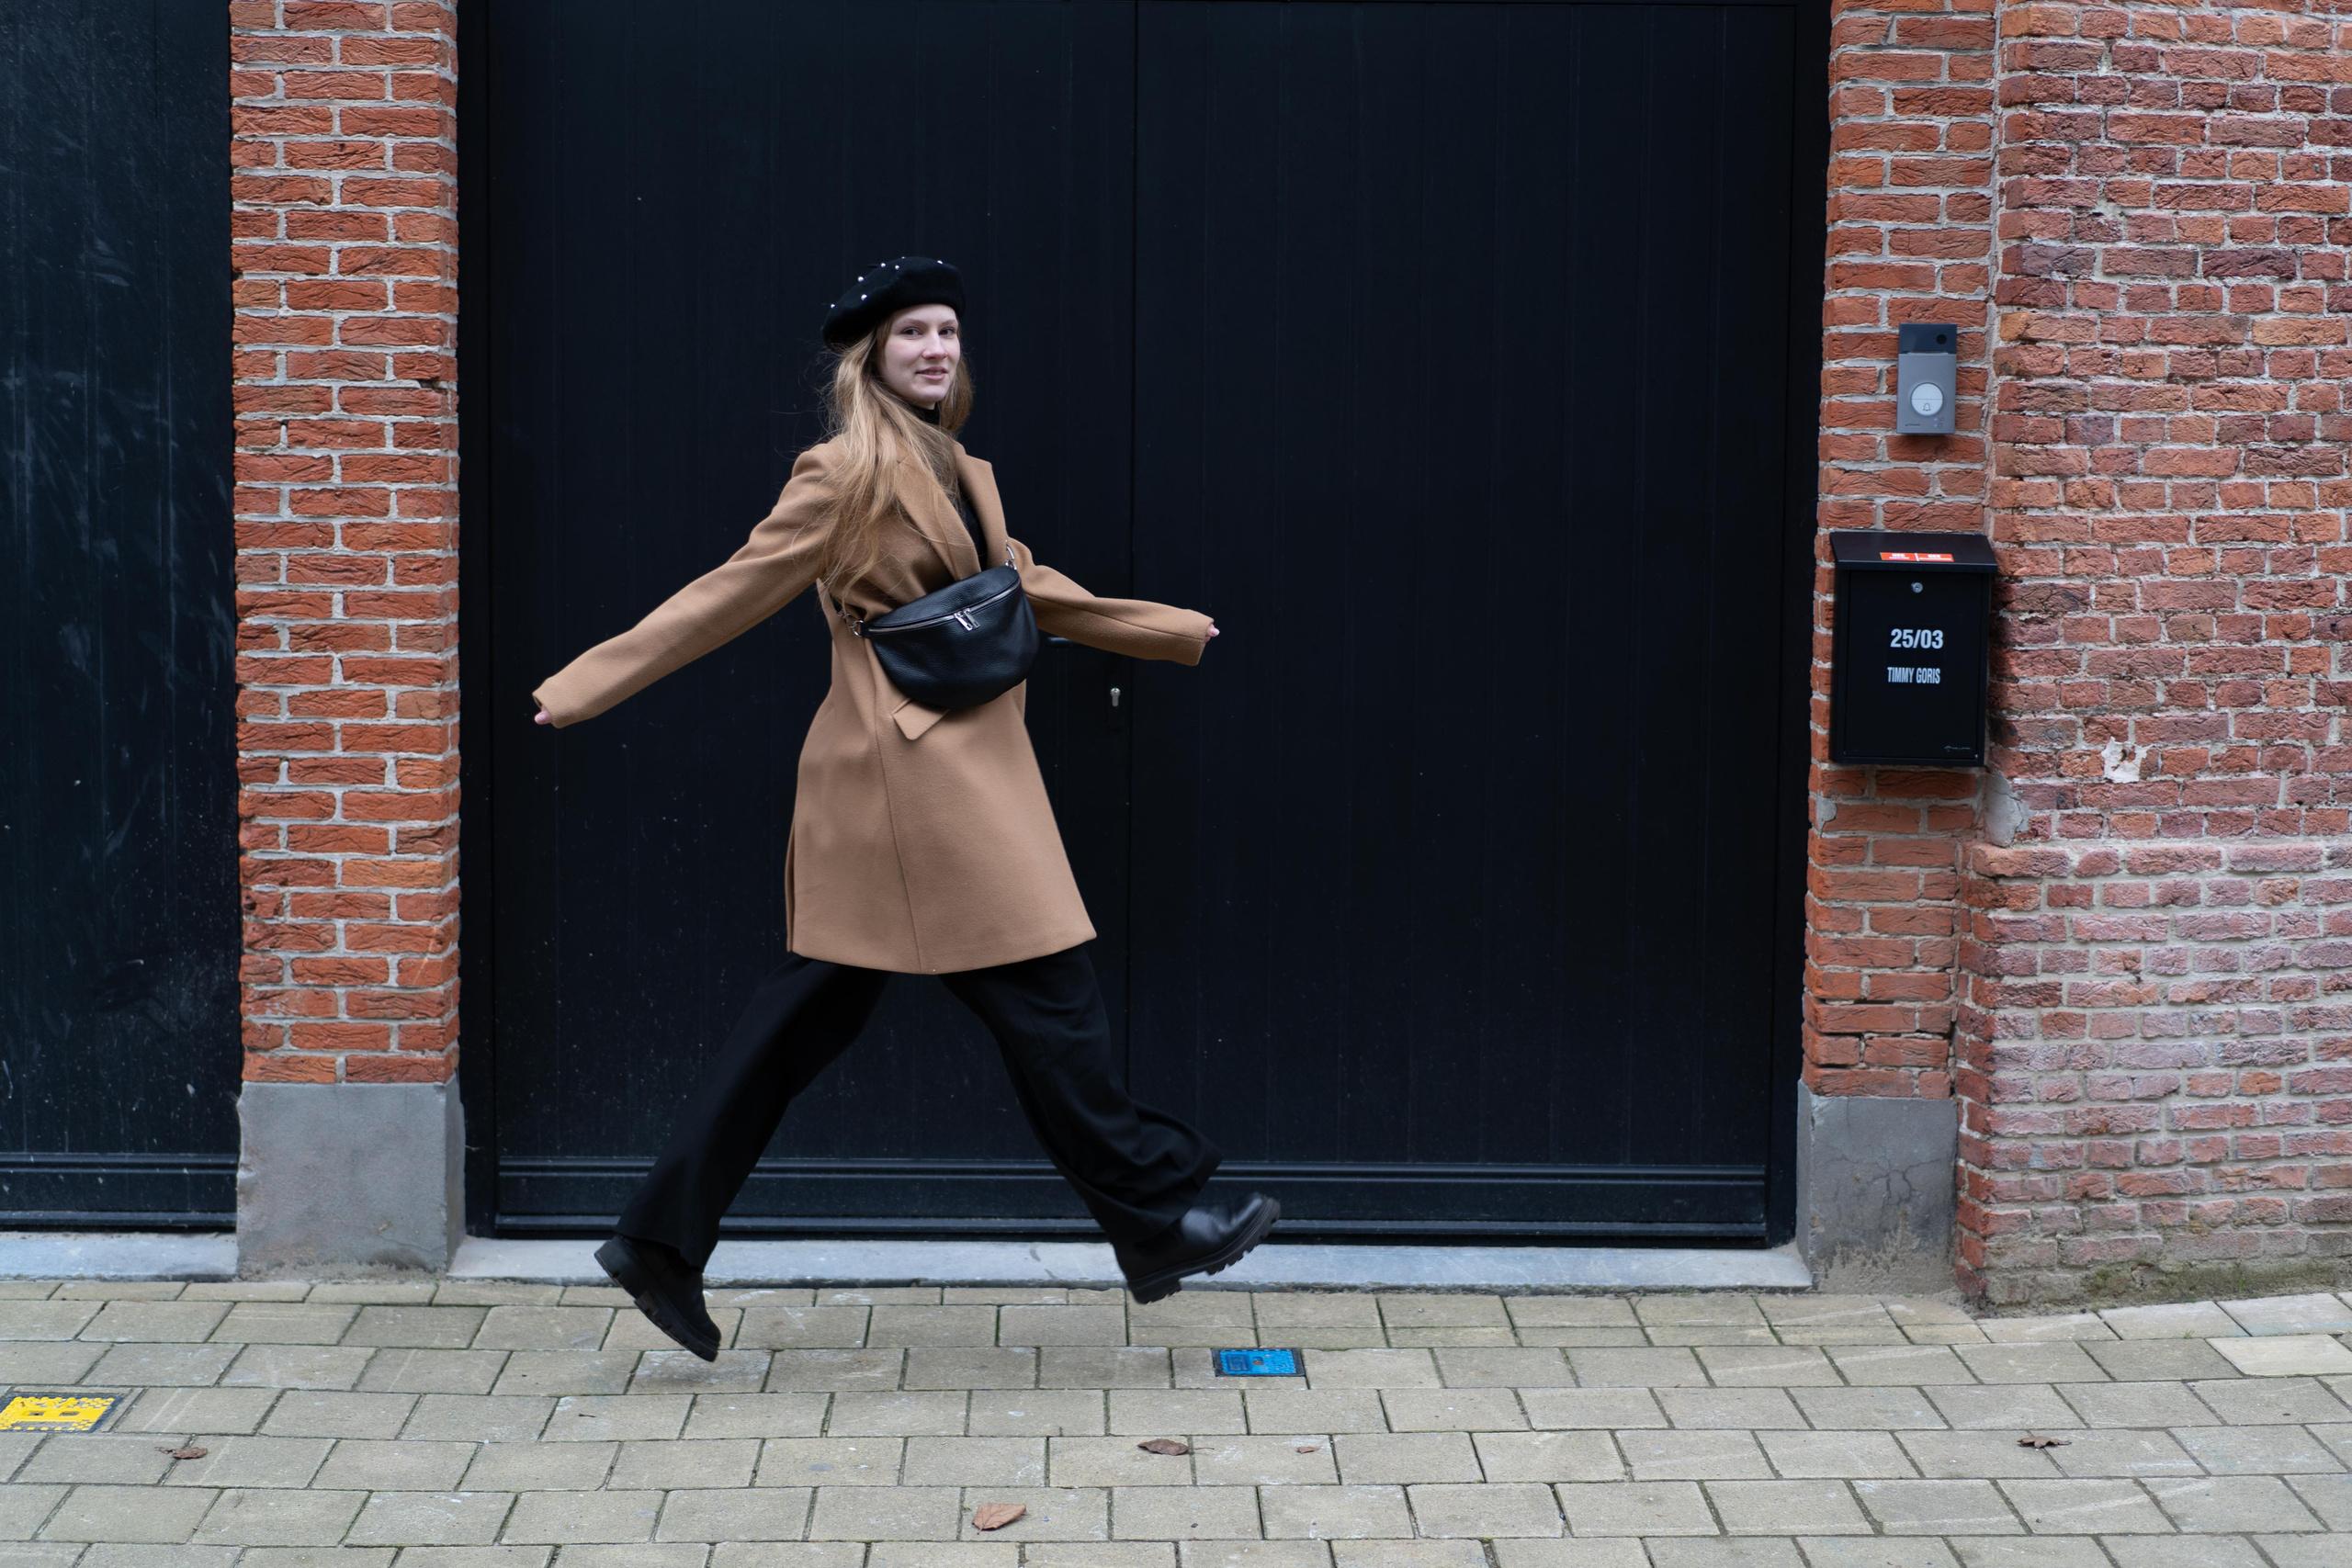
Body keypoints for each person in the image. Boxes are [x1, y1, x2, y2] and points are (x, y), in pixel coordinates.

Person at [529, 257, 1276, 1359]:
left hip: (943, 774)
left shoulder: (958, 466)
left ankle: (657, 1243)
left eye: (948, 332)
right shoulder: (842, 472)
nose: (935, 349)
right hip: (908, 783)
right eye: (913, 333)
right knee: (1049, 1004)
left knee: (804, 1025)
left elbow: (1019, 587)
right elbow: (730, 590)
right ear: (869, 357)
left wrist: (1159, 629)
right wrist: (585, 684)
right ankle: (1158, 1218)